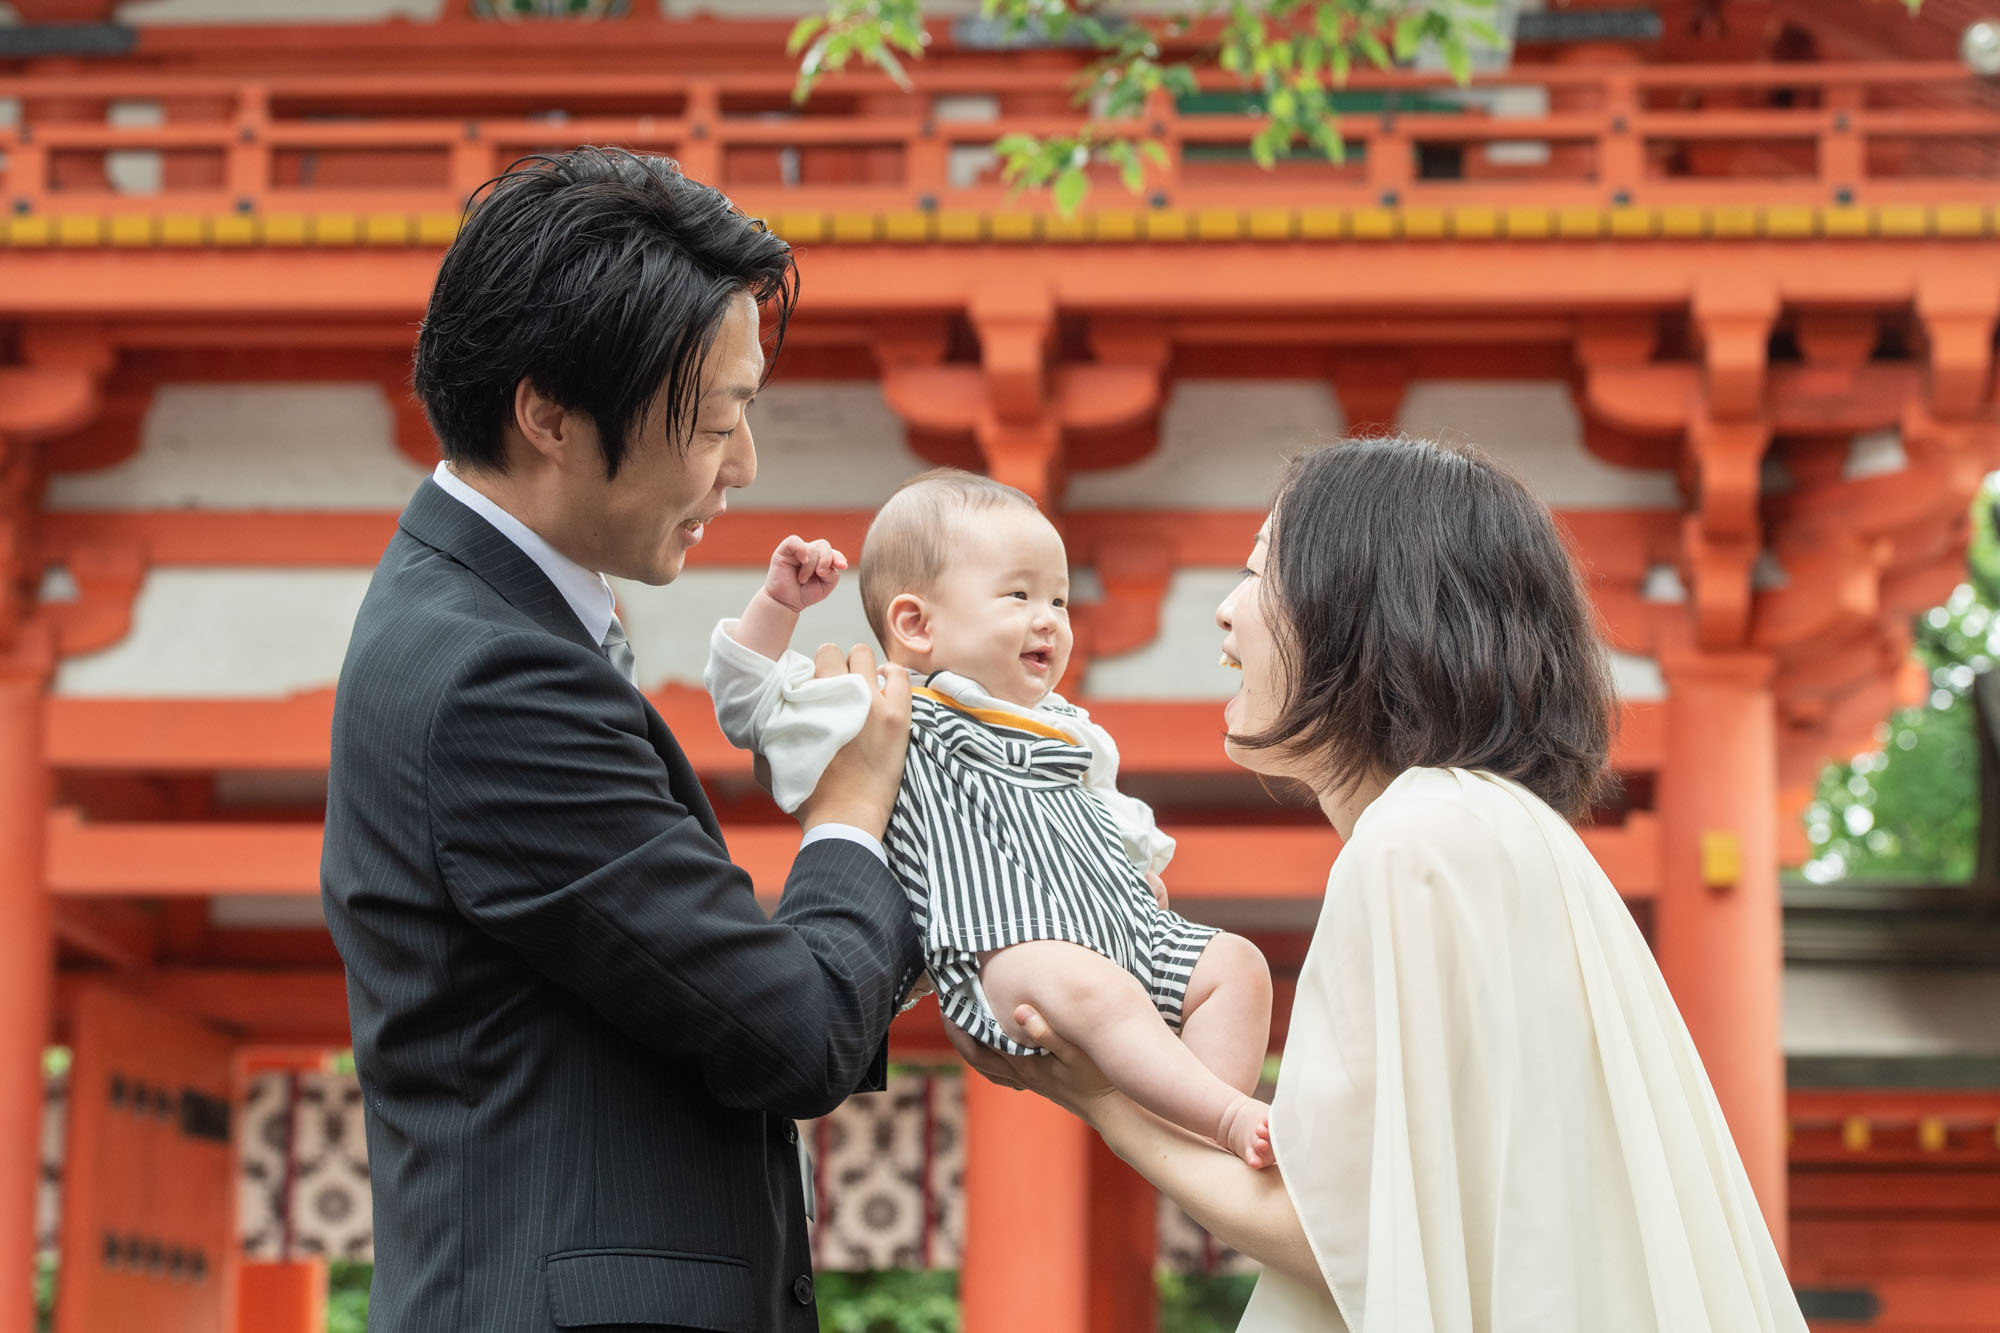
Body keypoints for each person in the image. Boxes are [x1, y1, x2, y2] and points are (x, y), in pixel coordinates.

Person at [970, 437, 1811, 1333]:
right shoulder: (1504, 833)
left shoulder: (1417, 837)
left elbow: (1346, 1232)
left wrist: (1101, 1095)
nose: (1224, 613)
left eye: (1259, 573)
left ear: (1360, 606)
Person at [320, 147, 923, 1333]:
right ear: (547, 412)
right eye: (712, 423)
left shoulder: (475, 619)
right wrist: (852, 811)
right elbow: (792, 1030)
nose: (742, 468)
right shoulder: (494, 676)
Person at [703, 469, 1277, 1165]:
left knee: (1238, 965)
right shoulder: (887, 707)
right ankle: (1221, 1116)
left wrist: (1138, 871)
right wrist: (776, 607)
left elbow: (1108, 810)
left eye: (1060, 599)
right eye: (1020, 594)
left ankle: (1192, 1144)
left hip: (1119, 926)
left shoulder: (1067, 727)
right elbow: (751, 704)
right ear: (914, 624)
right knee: (1095, 991)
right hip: (1007, 944)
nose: (1052, 619)